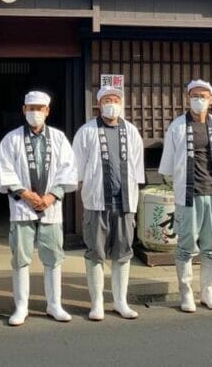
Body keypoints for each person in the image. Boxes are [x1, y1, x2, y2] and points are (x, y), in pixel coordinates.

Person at [0, 91, 77, 326]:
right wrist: (25, 193)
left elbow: (68, 169)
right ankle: (21, 306)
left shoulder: (60, 138)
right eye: (31, 108)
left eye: (39, 108)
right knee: (21, 257)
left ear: (47, 111)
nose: (35, 113)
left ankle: (54, 304)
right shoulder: (11, 139)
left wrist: (52, 196)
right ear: (23, 110)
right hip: (22, 207)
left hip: (51, 207)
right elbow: (5, 169)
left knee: (53, 257)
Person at [72, 85, 145, 320]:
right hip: (96, 202)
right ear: (99, 103)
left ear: (121, 103)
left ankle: (120, 301)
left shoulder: (131, 131)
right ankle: (97, 303)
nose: (111, 103)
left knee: (123, 252)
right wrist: (83, 187)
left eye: (115, 99)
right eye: (106, 100)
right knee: (96, 252)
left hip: (124, 203)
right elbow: (77, 168)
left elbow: (137, 167)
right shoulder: (86, 131)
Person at [159, 79, 212, 312]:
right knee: (186, 245)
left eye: (203, 95)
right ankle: (186, 292)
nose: (199, 99)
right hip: (188, 195)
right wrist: (178, 186)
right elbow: (167, 167)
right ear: (188, 98)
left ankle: (208, 291)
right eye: (194, 95)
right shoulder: (177, 127)